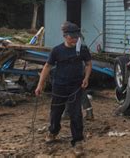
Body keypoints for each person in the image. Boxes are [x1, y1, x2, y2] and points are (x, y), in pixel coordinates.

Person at [35, 21, 92, 156]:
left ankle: (77, 141)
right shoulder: (57, 50)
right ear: (65, 36)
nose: (75, 40)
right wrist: (40, 84)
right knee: (56, 112)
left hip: (75, 86)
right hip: (59, 86)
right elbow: (47, 67)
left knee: (76, 113)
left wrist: (86, 78)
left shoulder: (82, 50)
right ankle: (53, 131)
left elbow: (88, 64)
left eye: (77, 37)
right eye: (72, 38)